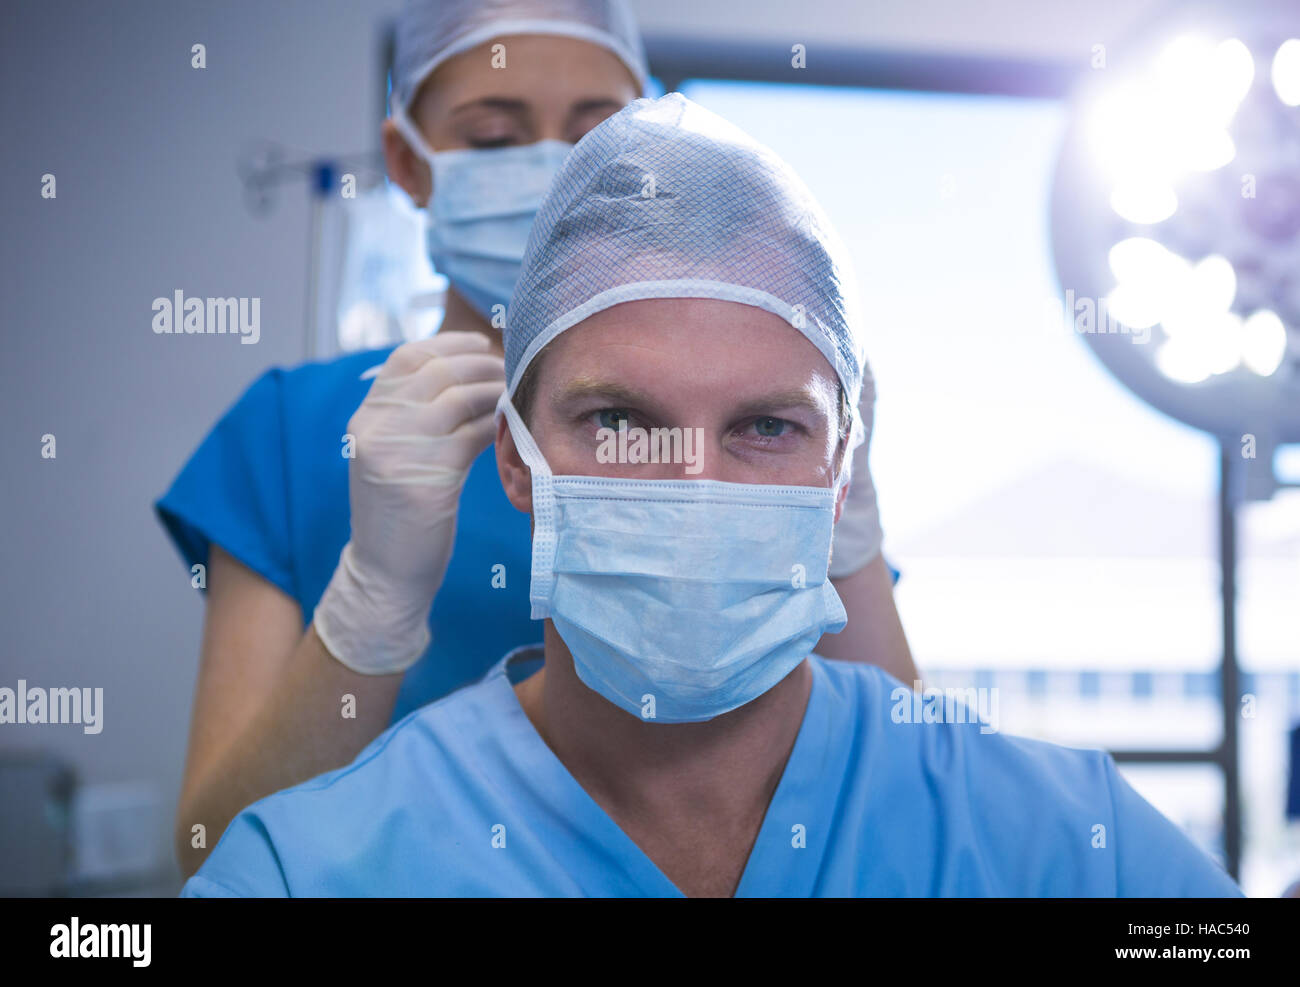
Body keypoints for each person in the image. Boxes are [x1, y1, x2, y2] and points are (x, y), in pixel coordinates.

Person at [180, 93, 1242, 898]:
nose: (690, 486)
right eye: (621, 421)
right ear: (513, 461)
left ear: (841, 474)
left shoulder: (1063, 842)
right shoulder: (313, 868)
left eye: (765, 428)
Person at [158, 0, 916, 879]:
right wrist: (369, 606)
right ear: (408, 159)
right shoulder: (300, 428)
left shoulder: (757, 422)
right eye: (493, 137)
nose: (559, 170)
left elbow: (906, 791)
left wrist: (847, 529)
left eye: (598, 131)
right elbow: (216, 852)